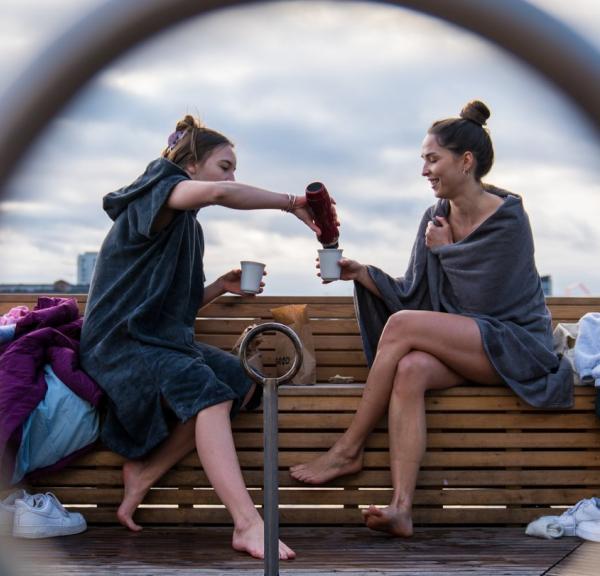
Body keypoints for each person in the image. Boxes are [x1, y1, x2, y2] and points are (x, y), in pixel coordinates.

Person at [290, 100, 573, 537]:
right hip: (472, 348)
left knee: (402, 326)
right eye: (423, 160)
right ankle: (402, 507)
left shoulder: (509, 217)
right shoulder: (435, 217)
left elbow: (489, 300)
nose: (424, 170)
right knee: (411, 367)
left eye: (432, 159)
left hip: (517, 347)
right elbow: (416, 293)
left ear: (465, 161)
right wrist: (362, 273)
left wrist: (447, 252)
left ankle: (348, 448)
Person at [80, 114, 325, 560]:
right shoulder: (154, 193)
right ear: (190, 166)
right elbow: (220, 193)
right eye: (225, 165)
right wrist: (293, 202)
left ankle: (145, 471)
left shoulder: (185, 225)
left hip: (156, 338)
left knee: (240, 382)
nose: (231, 177)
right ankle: (248, 524)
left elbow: (169, 306)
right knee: (207, 395)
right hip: (120, 343)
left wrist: (217, 289)